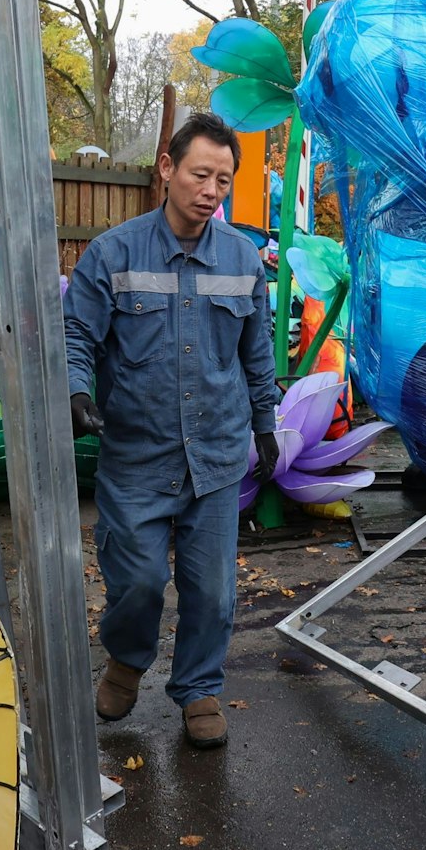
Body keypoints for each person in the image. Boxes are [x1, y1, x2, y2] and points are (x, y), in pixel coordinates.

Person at [63, 112, 281, 748]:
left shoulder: (243, 258)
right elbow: (77, 332)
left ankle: (199, 688)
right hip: (137, 455)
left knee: (211, 592)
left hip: (215, 454)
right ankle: (127, 661)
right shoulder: (114, 253)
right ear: (167, 169)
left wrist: (265, 423)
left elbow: (256, 350)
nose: (211, 191)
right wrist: (78, 390)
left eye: (223, 180)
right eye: (199, 175)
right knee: (136, 582)